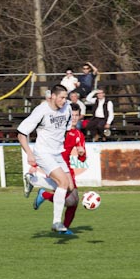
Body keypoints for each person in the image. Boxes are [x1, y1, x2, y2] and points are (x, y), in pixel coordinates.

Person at [23, 103, 86, 235]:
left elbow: (82, 158)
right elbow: (45, 147)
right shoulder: (60, 130)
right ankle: (40, 189)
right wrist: (34, 165)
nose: (74, 118)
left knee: (73, 201)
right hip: (53, 166)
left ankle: (45, 196)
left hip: (66, 168)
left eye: (76, 115)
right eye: (72, 115)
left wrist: (81, 153)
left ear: (80, 117)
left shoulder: (79, 135)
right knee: (70, 200)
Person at [17, 84, 72, 233]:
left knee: (69, 188)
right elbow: (21, 134)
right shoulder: (41, 110)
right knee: (63, 182)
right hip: (43, 153)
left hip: (57, 153)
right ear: (53, 96)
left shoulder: (67, 108)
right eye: (62, 97)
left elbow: (66, 130)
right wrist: (29, 153)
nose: (64, 101)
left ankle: (34, 181)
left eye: (65, 98)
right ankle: (56, 222)